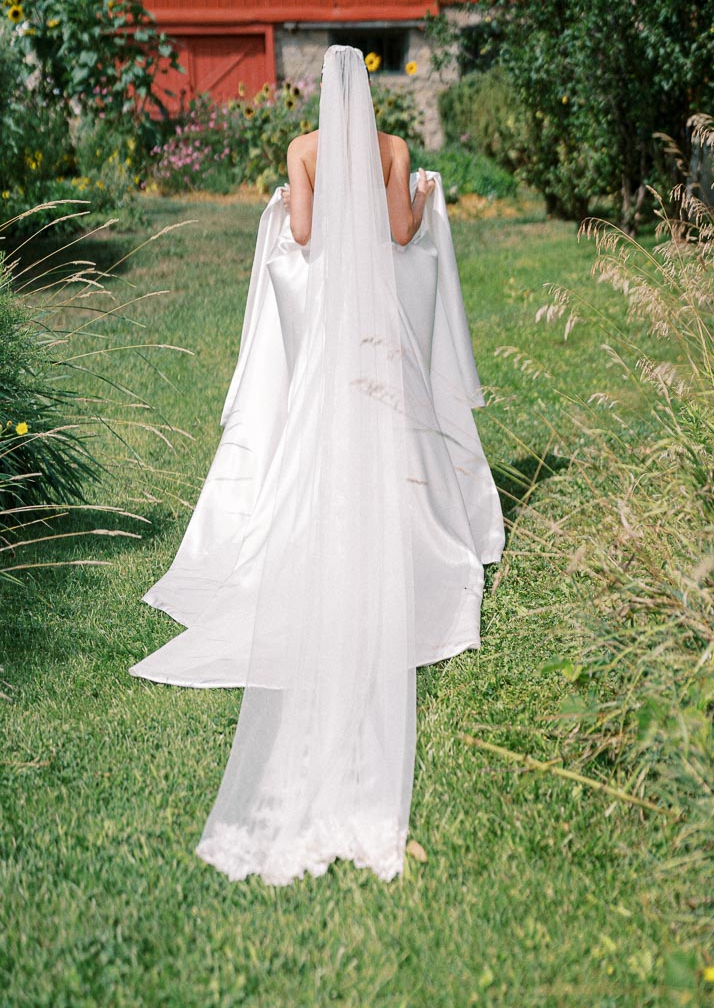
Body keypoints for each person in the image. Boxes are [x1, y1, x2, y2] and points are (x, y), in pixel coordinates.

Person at [130, 45, 504, 883]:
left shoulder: (303, 151)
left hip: (331, 294)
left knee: (319, 398)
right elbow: (403, 233)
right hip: (376, 306)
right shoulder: (394, 150)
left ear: (314, 94)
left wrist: (300, 206)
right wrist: (419, 196)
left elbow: (301, 235)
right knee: (389, 397)